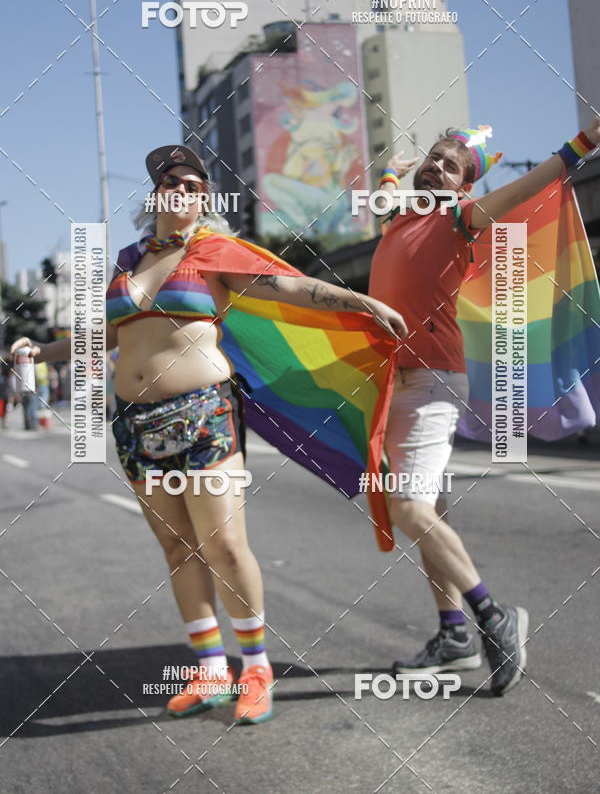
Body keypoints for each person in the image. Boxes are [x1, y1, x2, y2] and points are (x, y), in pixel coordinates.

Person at [11, 144, 407, 725]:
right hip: (135, 422)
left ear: (205, 198)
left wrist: (362, 302)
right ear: (154, 195)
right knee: (177, 547)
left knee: (222, 545)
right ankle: (209, 670)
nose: (184, 190)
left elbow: (291, 288)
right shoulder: (126, 260)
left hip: (204, 414)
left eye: (196, 185)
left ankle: (255, 669)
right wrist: (41, 349)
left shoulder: (217, 252)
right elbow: (103, 334)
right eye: (172, 181)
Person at [369, 120, 600, 696]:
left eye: (452, 166)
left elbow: (529, 187)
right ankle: (453, 636)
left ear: (466, 187)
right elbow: (385, 194)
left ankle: (492, 616)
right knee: (431, 513)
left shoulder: (460, 217)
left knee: (406, 506)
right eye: (434, 158)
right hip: (393, 383)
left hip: (430, 380)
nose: (437, 168)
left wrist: (583, 144)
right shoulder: (401, 216)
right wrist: (394, 168)